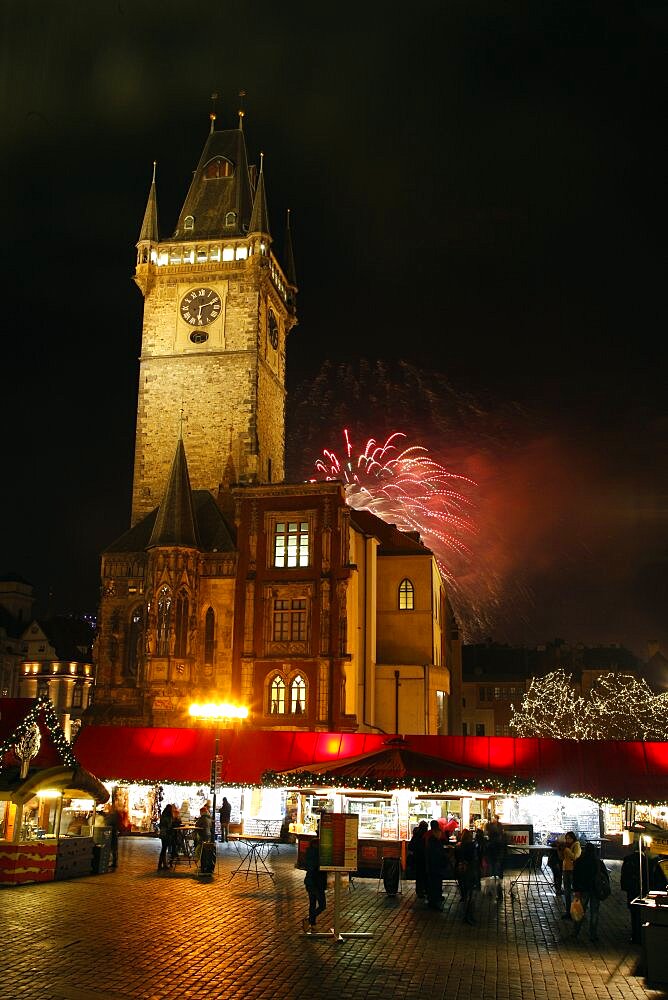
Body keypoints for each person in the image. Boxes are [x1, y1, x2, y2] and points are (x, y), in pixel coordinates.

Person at [572, 841, 602, 943]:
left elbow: (575, 876)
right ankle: (593, 934)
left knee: (580, 911)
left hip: (583, 889)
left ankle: (576, 932)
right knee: (594, 912)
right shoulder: (597, 861)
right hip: (595, 889)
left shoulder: (580, 861)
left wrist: (576, 889)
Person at [620, 846, 649, 944]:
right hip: (642, 891)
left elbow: (623, 875)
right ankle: (641, 935)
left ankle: (635, 935)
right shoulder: (646, 861)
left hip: (631, 891)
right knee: (642, 914)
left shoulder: (628, 859)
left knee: (634, 913)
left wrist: (624, 887)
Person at [302, 838, 327, 933]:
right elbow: (317, 868)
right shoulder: (318, 855)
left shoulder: (309, 853)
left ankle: (313, 924)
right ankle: (309, 920)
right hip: (317, 883)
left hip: (309, 882)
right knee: (322, 905)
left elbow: (307, 866)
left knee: (312, 904)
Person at [455, 828, 478, 925]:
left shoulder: (458, 846)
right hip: (470, 870)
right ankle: (469, 916)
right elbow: (474, 858)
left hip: (461, 870)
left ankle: (465, 914)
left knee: (464, 893)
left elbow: (457, 858)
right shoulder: (472, 846)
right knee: (470, 894)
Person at [559, 832, 581, 920]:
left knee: (576, 891)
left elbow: (575, 857)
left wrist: (566, 850)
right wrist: (560, 850)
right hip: (565, 870)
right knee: (567, 892)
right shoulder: (566, 846)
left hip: (573, 870)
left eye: (569, 838)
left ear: (573, 838)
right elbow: (562, 858)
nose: (567, 840)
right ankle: (568, 911)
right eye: (566, 838)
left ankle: (577, 911)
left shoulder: (576, 845)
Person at [425, 820, 445, 911]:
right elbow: (436, 854)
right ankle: (434, 901)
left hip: (433, 866)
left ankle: (433, 900)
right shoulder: (434, 842)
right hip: (435, 866)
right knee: (435, 884)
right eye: (439, 833)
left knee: (433, 883)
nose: (440, 834)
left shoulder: (431, 839)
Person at [485, 815, 506, 899]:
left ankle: (492, 889)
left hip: (494, 858)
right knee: (497, 872)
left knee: (493, 871)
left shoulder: (491, 842)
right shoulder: (499, 841)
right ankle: (498, 888)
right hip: (498, 858)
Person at [408, 821, 429, 900]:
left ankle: (420, 890)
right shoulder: (424, 835)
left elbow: (410, 846)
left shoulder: (416, 835)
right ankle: (424, 890)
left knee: (419, 875)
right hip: (423, 857)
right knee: (424, 874)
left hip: (417, 857)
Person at [158, 803, 174, 870]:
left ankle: (162, 864)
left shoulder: (163, 815)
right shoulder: (168, 816)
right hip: (166, 834)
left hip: (163, 833)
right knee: (164, 849)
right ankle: (161, 865)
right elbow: (169, 825)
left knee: (164, 849)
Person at [105, 803, 121, 869]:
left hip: (112, 833)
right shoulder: (113, 815)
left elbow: (109, 823)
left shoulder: (113, 815)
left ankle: (114, 862)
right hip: (112, 833)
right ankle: (113, 862)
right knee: (113, 848)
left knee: (113, 848)